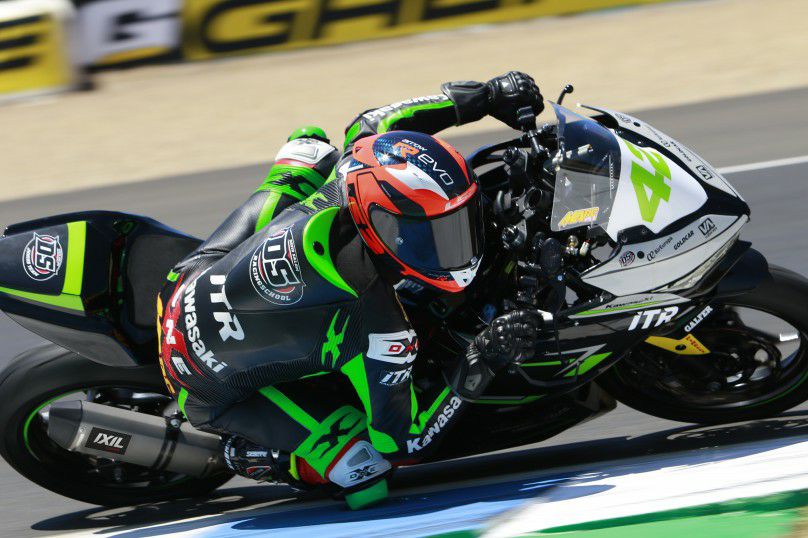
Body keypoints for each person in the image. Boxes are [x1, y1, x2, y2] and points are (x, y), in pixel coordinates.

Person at [157, 71, 545, 509]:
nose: (456, 247)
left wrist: (487, 95)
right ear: (383, 224)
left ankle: (292, 170)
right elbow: (406, 440)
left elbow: (379, 121)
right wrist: (481, 358)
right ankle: (251, 455)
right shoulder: (379, 327)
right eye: (434, 234)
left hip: (185, 281)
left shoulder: (355, 170)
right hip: (205, 387)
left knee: (312, 151)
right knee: (367, 470)